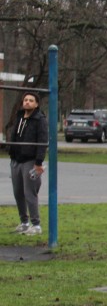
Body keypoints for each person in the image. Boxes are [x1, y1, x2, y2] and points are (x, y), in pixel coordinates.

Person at [6, 92, 47, 235]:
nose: (27, 102)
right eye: (25, 100)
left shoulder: (39, 119)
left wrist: (38, 162)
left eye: (31, 100)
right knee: (18, 193)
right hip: (16, 159)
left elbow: (42, 141)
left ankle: (36, 225)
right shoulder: (19, 117)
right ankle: (24, 222)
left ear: (36, 104)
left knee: (29, 193)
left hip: (30, 161)